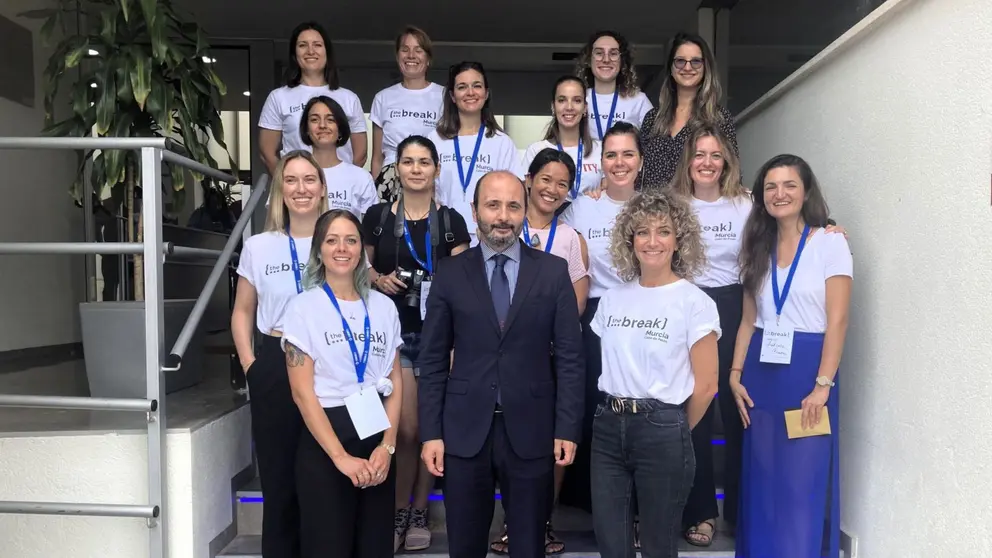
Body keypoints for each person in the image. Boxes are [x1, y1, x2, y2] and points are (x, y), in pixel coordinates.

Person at [418, 171, 585, 558]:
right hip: (462, 431)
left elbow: (571, 358)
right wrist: (431, 432)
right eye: (493, 205)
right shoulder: (450, 273)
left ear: (525, 210)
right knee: (465, 545)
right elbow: (432, 358)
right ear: (475, 211)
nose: (503, 216)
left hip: (532, 430)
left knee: (528, 546)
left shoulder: (552, 272)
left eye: (513, 205)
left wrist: (567, 427)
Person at [730, 155, 852, 558]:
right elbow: (749, 321)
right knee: (763, 483)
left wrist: (822, 386)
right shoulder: (756, 247)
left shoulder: (830, 243)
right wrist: (735, 374)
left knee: (801, 484)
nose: (779, 194)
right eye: (770, 187)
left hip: (808, 376)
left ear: (805, 192)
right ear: (761, 196)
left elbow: (837, 321)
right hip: (761, 374)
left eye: (789, 186)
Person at [589, 189, 719, 558]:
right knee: (611, 544)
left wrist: (671, 429)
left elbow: (707, 385)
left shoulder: (694, 302)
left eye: (663, 231)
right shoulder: (612, 298)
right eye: (642, 231)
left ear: (679, 240)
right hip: (608, 427)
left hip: (663, 427)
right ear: (630, 240)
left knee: (658, 545)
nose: (652, 241)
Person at [361, 135, 471, 552]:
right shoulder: (376, 217)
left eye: (424, 161)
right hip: (393, 335)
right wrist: (377, 279)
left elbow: (464, 280)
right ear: (398, 168)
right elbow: (360, 264)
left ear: (436, 169)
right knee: (404, 429)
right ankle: (397, 511)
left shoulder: (452, 221)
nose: (416, 169)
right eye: (408, 161)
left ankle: (419, 510)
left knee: (429, 429)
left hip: (439, 335)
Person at [281, 209, 404, 558]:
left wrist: (388, 446)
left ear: (362, 250)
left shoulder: (383, 307)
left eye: (351, 240)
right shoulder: (302, 308)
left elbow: (395, 380)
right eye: (332, 240)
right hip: (326, 436)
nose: (342, 248)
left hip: (376, 432)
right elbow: (302, 393)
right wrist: (340, 457)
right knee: (328, 546)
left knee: (375, 545)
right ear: (319, 249)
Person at [491, 149, 590, 555]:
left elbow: (577, 298)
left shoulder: (569, 238)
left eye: (562, 183)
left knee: (550, 446)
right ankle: (511, 524)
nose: (552, 189)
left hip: (549, 355)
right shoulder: (504, 226)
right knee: (505, 444)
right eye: (545, 179)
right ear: (528, 180)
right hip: (505, 356)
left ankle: (542, 522)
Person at [231, 151, 328, 558]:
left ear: (323, 188)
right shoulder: (258, 246)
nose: (301, 188)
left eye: (310, 180)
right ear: (280, 189)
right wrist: (252, 366)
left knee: (322, 474)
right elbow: (241, 312)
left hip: (329, 366)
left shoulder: (339, 240)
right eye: (291, 180)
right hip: (274, 360)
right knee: (278, 475)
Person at [557, 122, 641, 519]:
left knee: (637, 405)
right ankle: (587, 499)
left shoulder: (652, 206)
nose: (619, 162)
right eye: (611, 154)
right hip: (594, 315)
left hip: (642, 317)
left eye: (627, 154)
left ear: (640, 161)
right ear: (600, 162)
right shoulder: (581, 206)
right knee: (593, 404)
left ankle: (635, 504)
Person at [428, 61, 521, 246]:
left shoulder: (501, 142)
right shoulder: (435, 139)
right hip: (443, 234)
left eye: (476, 86)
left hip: (488, 236)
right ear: (453, 96)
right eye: (462, 87)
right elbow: (427, 190)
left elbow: (514, 193)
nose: (470, 92)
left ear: (486, 93)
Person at [259, 21, 367, 175]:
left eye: (317, 45)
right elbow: (267, 153)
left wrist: (345, 180)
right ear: (294, 54)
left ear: (327, 52)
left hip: (341, 193)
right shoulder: (278, 97)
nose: (310, 51)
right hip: (297, 189)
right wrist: (287, 183)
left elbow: (360, 154)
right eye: (303, 45)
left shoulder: (349, 98)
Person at [638, 32, 738, 190]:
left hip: (696, 212)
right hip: (654, 211)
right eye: (680, 61)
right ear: (671, 68)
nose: (687, 67)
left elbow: (732, 173)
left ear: (706, 67)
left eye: (696, 62)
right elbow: (638, 172)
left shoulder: (718, 118)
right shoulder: (653, 118)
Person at [370, 26, 445, 203]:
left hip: (429, 179)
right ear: (398, 57)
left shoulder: (444, 96)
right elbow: (377, 156)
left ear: (428, 59)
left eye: (418, 50)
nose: (411, 55)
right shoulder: (383, 98)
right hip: (391, 178)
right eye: (405, 49)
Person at [519, 76, 603, 199]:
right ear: (553, 106)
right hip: (549, 218)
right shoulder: (536, 150)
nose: (569, 107)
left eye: (577, 100)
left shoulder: (600, 150)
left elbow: (609, 189)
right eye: (562, 100)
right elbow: (524, 194)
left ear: (585, 108)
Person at [300, 96, 377, 218]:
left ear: (340, 129)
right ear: (306, 129)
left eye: (330, 120)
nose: (322, 125)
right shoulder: (290, 172)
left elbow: (370, 229)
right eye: (314, 120)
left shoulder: (361, 177)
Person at [575, 31, 654, 140]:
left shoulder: (639, 100)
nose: (606, 59)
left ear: (622, 61)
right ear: (589, 60)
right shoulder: (577, 99)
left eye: (613, 54)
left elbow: (654, 144)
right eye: (599, 53)